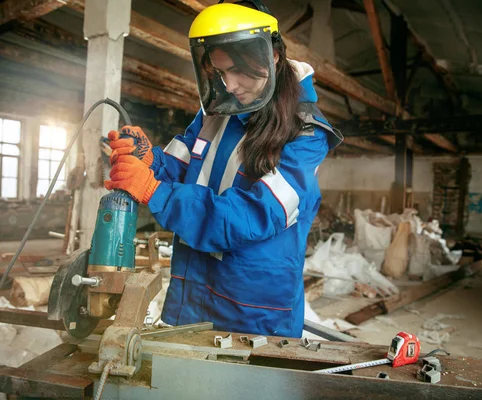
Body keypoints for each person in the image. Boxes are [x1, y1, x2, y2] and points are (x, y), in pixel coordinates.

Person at [104, 0, 342, 338]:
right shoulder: (219, 111)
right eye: (220, 72)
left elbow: (253, 215)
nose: (229, 85)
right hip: (193, 290)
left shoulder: (306, 134)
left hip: (252, 307)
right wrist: (148, 160)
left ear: (272, 56)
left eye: (238, 71)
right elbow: (178, 167)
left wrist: (154, 191)